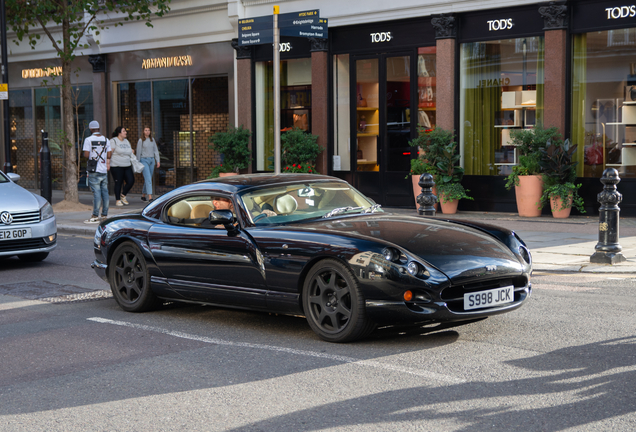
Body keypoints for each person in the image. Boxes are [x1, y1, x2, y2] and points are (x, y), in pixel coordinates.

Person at [82, 120, 111, 224]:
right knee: (105, 192)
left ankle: (95, 216)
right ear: (98, 128)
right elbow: (109, 154)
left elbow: (86, 155)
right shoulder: (106, 140)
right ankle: (104, 215)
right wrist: (107, 163)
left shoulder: (88, 140)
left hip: (94, 170)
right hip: (103, 170)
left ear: (91, 129)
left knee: (96, 193)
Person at [109, 126, 135, 206]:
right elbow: (109, 153)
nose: (125, 132)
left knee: (131, 181)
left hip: (127, 165)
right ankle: (117, 200)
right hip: (116, 165)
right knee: (118, 182)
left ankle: (123, 195)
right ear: (119, 133)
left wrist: (132, 151)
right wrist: (107, 163)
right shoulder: (113, 141)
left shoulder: (126, 141)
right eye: (124, 131)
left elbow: (130, 150)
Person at [136, 126, 160, 201]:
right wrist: (137, 163)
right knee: (148, 179)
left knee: (148, 178)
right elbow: (138, 152)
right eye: (145, 130)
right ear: (143, 131)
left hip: (152, 160)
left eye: (148, 130)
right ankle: (150, 197)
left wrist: (158, 160)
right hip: (144, 160)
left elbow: (156, 151)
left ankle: (143, 195)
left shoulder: (152, 140)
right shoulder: (141, 140)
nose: (147, 132)